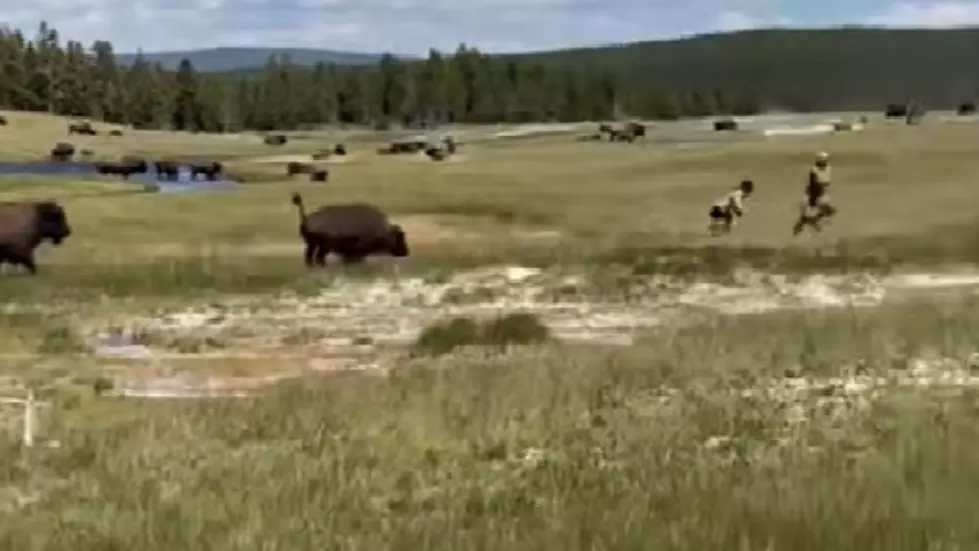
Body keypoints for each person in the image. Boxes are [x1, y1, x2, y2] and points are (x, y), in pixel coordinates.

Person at [792, 151, 837, 235]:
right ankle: (806, 226)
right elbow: (815, 182)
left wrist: (823, 185)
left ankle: (814, 222)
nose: (823, 161)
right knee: (806, 213)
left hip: (821, 192)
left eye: (824, 159)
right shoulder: (814, 169)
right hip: (813, 193)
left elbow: (826, 181)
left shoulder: (828, 167)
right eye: (822, 159)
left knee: (827, 210)